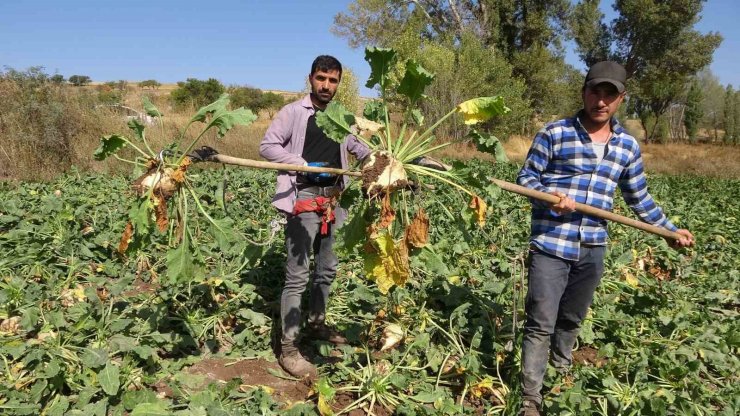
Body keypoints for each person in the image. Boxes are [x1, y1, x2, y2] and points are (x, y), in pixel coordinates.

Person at [515, 61, 694, 415]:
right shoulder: (555, 133)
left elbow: (638, 197)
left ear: (621, 99)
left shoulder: (627, 146)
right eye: (595, 91)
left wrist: (668, 230)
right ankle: (530, 398)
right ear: (584, 93)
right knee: (541, 321)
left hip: (593, 246)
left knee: (572, 318)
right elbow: (526, 180)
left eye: (609, 94)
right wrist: (552, 198)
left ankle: (561, 371)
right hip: (552, 241)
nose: (601, 101)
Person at [259, 55, 371, 378]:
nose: (326, 85)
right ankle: (290, 349)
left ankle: (317, 323)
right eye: (321, 78)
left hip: (336, 197)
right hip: (304, 197)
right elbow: (267, 146)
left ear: (339, 84)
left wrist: (380, 161)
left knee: (328, 268)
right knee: (298, 274)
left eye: (333, 80)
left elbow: (360, 149)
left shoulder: (341, 118)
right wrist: (299, 162)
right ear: (311, 78)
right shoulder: (294, 113)